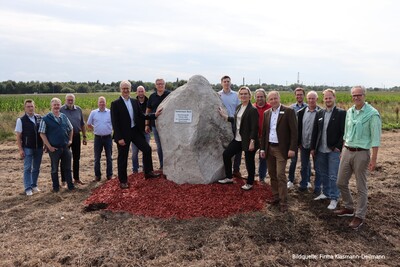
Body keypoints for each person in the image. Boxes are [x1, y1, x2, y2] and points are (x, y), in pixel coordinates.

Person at [334, 86, 381, 230]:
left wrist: (373, 159)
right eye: (354, 95)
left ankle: (359, 215)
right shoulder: (350, 111)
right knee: (340, 182)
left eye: (359, 95)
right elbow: (346, 133)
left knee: (361, 186)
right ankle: (348, 207)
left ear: (364, 96)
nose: (356, 97)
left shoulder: (372, 114)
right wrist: (343, 149)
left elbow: (375, 138)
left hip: (362, 153)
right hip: (347, 150)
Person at [111, 80, 162, 189]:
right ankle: (123, 181)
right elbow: (115, 122)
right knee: (123, 158)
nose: (125, 90)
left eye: (127, 88)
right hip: (123, 135)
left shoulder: (134, 102)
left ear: (130, 90)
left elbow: (142, 115)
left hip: (134, 131)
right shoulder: (115, 104)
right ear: (121, 89)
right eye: (124, 88)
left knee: (147, 149)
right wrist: (119, 137)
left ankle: (148, 172)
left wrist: (154, 115)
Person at [260, 91, 297, 212]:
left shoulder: (288, 111)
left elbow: (294, 132)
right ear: (268, 101)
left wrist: (292, 148)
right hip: (269, 148)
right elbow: (264, 133)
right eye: (271, 99)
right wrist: (262, 148)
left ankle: (283, 201)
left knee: (280, 174)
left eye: (275, 98)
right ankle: (276, 196)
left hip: (281, 149)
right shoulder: (267, 113)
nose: (273, 101)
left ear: (279, 98)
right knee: (272, 174)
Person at [217, 86, 259, 190]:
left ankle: (249, 183)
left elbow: (254, 127)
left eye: (245, 94)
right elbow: (236, 120)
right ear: (239, 96)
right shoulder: (239, 107)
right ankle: (229, 177)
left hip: (248, 140)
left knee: (249, 162)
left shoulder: (252, 109)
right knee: (226, 154)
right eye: (241, 94)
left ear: (249, 96)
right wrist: (224, 116)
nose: (243, 96)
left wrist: (252, 141)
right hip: (238, 139)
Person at [311, 89, 346, 210]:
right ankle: (325, 193)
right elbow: (315, 132)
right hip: (321, 150)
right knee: (323, 173)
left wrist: (338, 146)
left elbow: (344, 132)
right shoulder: (320, 113)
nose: (328, 100)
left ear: (334, 97)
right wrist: (312, 148)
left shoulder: (341, 113)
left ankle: (334, 198)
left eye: (330, 97)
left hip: (333, 151)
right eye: (325, 98)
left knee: (333, 175)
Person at [39, 98, 74, 192]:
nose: (56, 106)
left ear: (60, 105)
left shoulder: (63, 117)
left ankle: (70, 186)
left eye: (58, 104)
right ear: (51, 106)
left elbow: (71, 128)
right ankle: (56, 188)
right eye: (55, 105)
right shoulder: (45, 118)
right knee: (54, 169)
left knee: (67, 168)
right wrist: (49, 146)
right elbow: (42, 133)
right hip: (54, 148)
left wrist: (70, 140)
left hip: (65, 147)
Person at [15, 99, 44, 196]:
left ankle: (34, 185)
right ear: (25, 108)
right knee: (27, 168)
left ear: (34, 107)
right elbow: (18, 136)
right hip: (27, 147)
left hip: (39, 147)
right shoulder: (21, 120)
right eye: (28, 106)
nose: (30, 108)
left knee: (36, 167)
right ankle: (28, 188)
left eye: (32, 106)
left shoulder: (39, 118)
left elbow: (43, 132)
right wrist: (20, 149)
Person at [218, 75, 242, 178]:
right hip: (222, 123)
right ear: (221, 83)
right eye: (225, 81)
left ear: (230, 83)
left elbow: (240, 109)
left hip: (234, 122)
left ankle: (236, 169)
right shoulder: (218, 95)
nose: (226, 83)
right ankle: (224, 169)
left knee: (238, 146)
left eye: (228, 81)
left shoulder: (236, 95)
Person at [60, 94, 87, 185]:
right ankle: (64, 180)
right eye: (68, 100)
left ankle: (76, 178)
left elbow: (82, 124)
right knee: (64, 158)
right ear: (65, 100)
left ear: (74, 100)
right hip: (65, 137)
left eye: (72, 100)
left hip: (76, 136)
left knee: (76, 158)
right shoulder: (61, 110)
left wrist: (84, 136)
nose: (70, 101)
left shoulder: (78, 109)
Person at [297, 91, 320, 192]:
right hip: (304, 144)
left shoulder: (321, 112)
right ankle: (304, 184)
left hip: (316, 146)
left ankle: (318, 187)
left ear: (317, 99)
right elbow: (299, 128)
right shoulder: (301, 112)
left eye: (313, 98)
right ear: (307, 99)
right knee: (304, 166)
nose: (311, 100)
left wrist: (315, 146)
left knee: (318, 167)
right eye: (309, 98)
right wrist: (298, 143)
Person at [145, 78, 170, 170]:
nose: (160, 85)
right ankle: (162, 165)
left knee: (168, 145)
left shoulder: (169, 95)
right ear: (155, 85)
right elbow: (148, 110)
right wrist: (147, 124)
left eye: (162, 84)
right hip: (155, 126)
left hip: (168, 126)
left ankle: (169, 165)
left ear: (164, 85)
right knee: (159, 146)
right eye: (158, 84)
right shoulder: (152, 96)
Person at [87, 96, 113, 182]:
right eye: (100, 102)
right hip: (98, 138)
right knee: (97, 158)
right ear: (98, 103)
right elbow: (89, 124)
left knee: (109, 157)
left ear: (106, 103)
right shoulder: (93, 113)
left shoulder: (110, 112)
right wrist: (96, 128)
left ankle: (109, 175)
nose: (102, 104)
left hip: (108, 138)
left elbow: (115, 123)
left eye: (103, 102)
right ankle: (97, 176)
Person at [287, 87, 308, 189]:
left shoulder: (309, 107)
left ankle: (306, 180)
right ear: (295, 96)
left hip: (305, 138)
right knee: (293, 161)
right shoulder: (290, 108)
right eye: (297, 94)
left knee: (306, 162)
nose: (299, 96)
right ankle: (290, 180)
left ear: (304, 95)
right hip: (294, 139)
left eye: (301, 94)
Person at [253, 88, 271, 184]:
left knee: (263, 158)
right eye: (258, 97)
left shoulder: (270, 107)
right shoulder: (252, 107)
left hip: (266, 138)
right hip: (254, 137)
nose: (260, 98)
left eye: (262, 96)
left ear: (265, 97)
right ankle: (251, 175)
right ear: (255, 98)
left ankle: (261, 177)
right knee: (250, 157)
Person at [131, 85, 150, 173]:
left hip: (146, 131)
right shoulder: (133, 102)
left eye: (142, 91)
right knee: (135, 152)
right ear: (136, 92)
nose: (141, 93)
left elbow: (150, 115)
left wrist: (148, 125)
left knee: (146, 150)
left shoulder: (149, 102)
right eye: (139, 91)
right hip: (135, 132)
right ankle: (135, 169)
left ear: (144, 92)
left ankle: (145, 169)